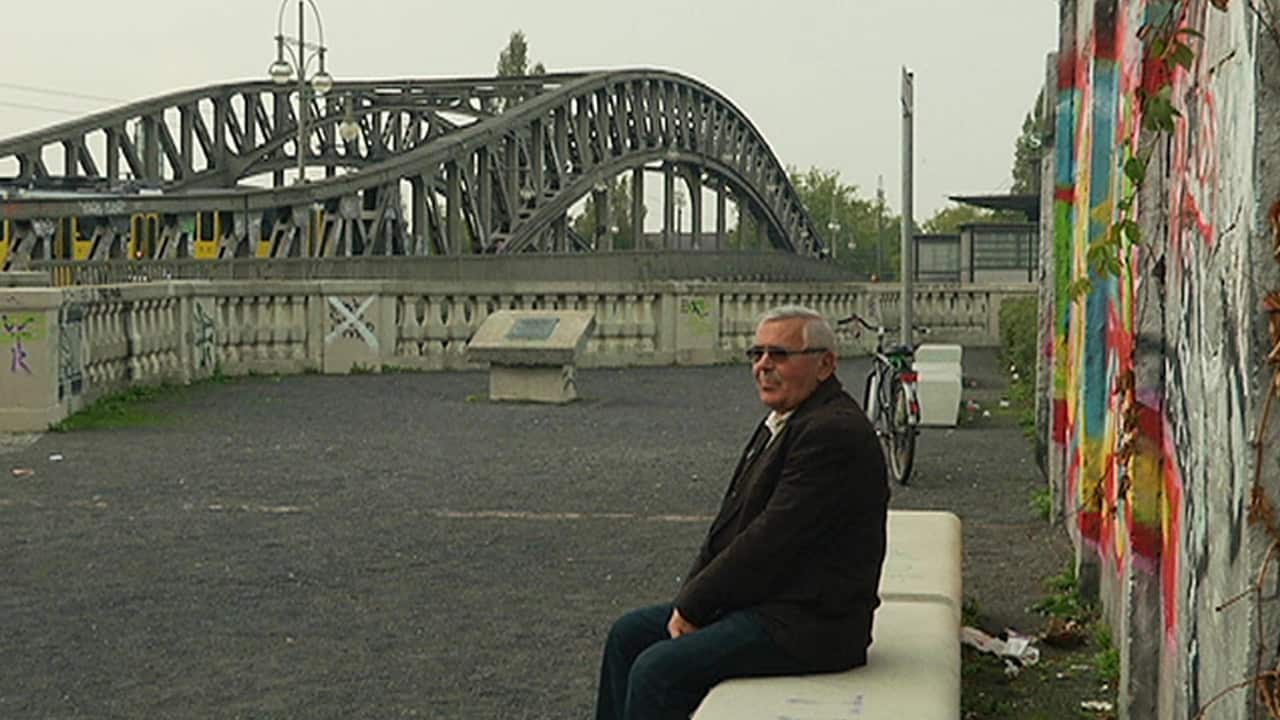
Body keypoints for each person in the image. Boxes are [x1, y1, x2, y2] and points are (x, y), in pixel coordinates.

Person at [594, 305, 890, 720]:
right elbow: (730, 524)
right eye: (757, 353)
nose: (763, 366)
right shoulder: (792, 417)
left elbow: (770, 540)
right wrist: (690, 599)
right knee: (628, 636)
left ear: (825, 364)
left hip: (812, 624)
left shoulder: (832, 433)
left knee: (658, 670)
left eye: (779, 355)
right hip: (769, 602)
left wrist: (696, 607)